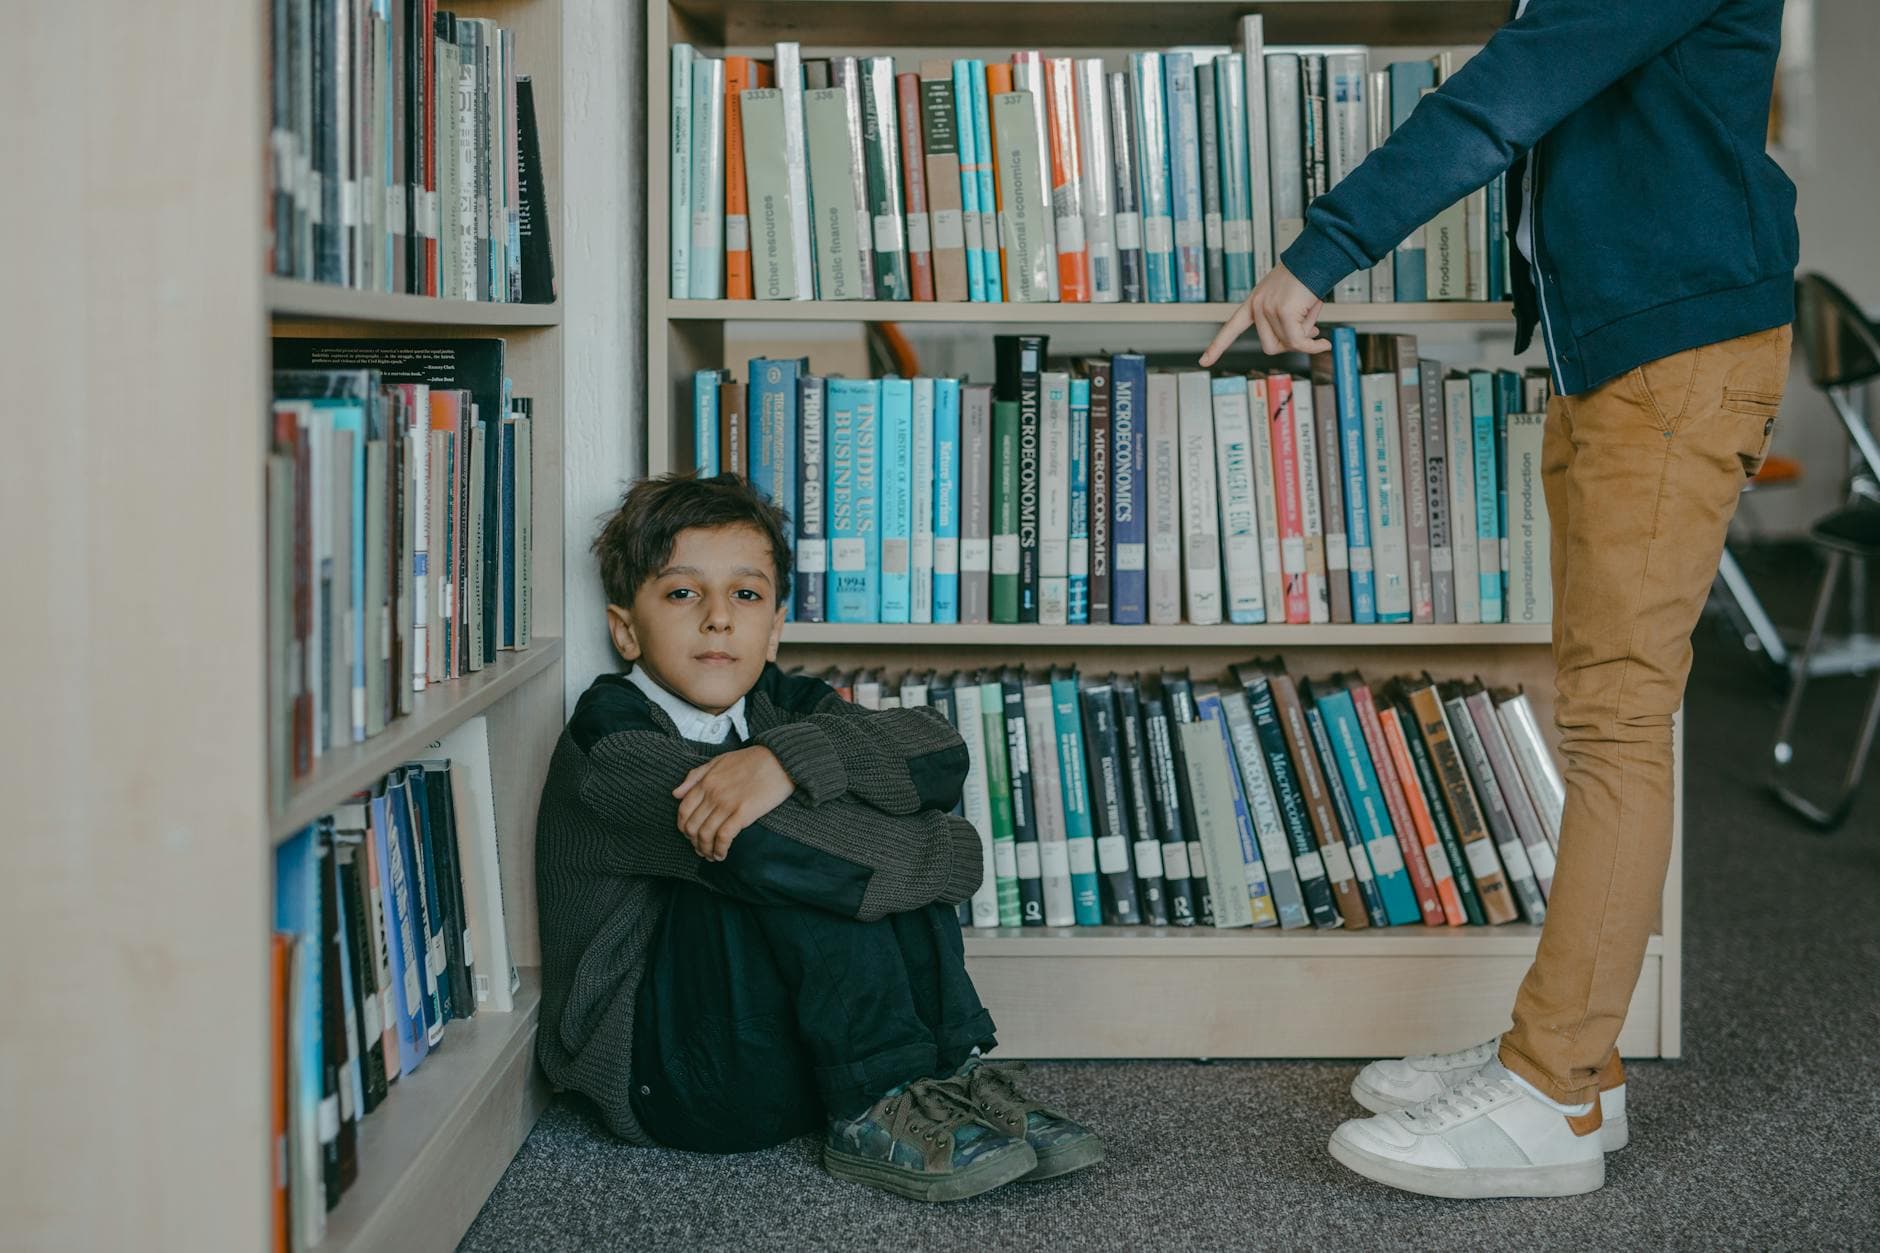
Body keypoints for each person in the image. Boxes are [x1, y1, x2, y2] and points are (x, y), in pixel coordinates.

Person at [1202, 0, 1796, 1200]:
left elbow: (1510, 90)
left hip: (1669, 355)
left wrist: (1323, 247)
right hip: (1616, 350)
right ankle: (1571, 1051)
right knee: (1601, 713)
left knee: (1618, 724)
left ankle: (1552, 1087)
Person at [533, 472, 1103, 1202]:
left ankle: (936, 1073)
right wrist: (949, 851)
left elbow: (938, 754)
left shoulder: (780, 702)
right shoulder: (610, 737)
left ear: (773, 627)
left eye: (746, 594)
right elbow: (770, 850)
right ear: (625, 628)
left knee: (842, 805)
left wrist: (784, 759)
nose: (717, 619)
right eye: (682, 593)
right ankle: (878, 1096)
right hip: (672, 1077)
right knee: (771, 848)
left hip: (783, 1054)